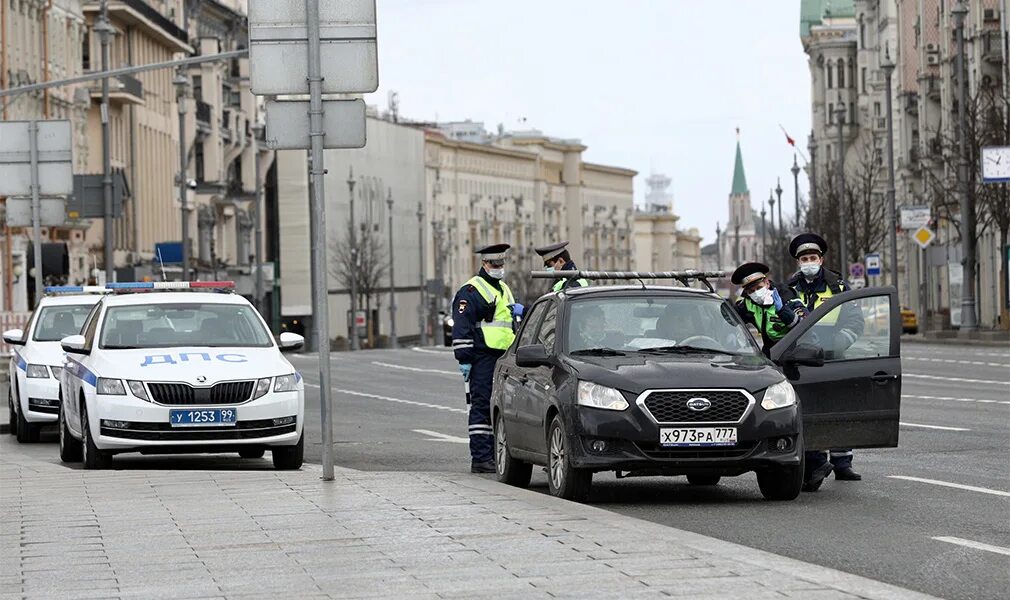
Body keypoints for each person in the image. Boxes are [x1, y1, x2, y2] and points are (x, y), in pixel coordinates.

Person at [787, 233, 865, 486]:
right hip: (804, 359)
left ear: (821, 259)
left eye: (813, 257)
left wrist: (840, 341)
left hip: (834, 356)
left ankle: (843, 463)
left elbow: (855, 320)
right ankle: (817, 462)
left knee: (838, 408)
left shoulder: (839, 286)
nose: (809, 261)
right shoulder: (790, 289)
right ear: (798, 262)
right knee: (809, 409)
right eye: (804, 258)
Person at [451, 243, 524, 473]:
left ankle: (495, 454)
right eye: (494, 264)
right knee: (482, 407)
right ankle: (481, 458)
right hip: (483, 356)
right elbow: (462, 327)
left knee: (500, 406)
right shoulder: (471, 291)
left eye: (501, 264)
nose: (498, 267)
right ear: (484, 263)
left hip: (504, 356)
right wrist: (464, 358)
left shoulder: (503, 288)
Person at [730, 262, 808, 357]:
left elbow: (805, 324)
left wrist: (783, 311)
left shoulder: (786, 295)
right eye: (751, 291)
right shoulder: (747, 303)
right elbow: (729, 316)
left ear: (767, 283)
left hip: (795, 351)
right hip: (770, 352)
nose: (756, 293)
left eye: (759, 288)